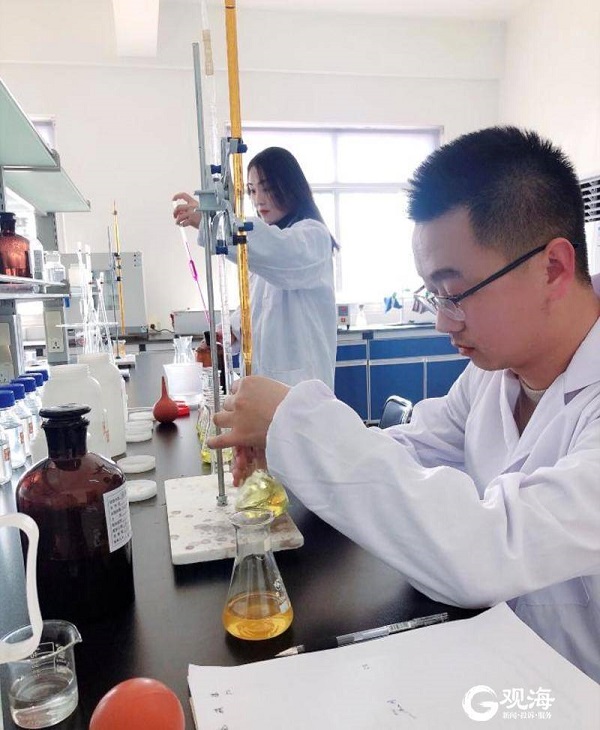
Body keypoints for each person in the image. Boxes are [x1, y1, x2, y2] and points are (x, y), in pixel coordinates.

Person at [209, 126, 600, 682]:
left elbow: (491, 550)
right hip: (499, 661)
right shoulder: (493, 375)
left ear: (553, 268)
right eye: (432, 293)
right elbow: (411, 448)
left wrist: (295, 423)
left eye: (454, 292)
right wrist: (291, 452)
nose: (441, 321)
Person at [172, 146, 337, 389]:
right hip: (267, 386)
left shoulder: (312, 236)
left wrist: (213, 223)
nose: (258, 199)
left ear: (291, 187)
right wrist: (231, 331)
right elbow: (259, 304)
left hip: (302, 390)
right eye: (252, 190)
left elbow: (275, 251)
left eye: (267, 188)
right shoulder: (266, 245)